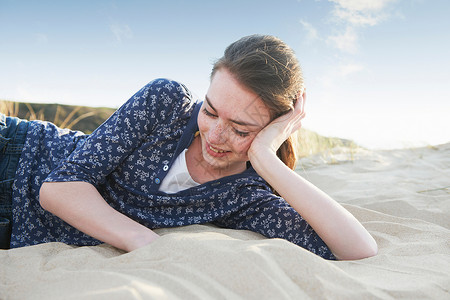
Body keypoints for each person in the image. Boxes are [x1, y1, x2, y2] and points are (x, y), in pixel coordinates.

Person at [0, 35, 377, 260]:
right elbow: (59, 188)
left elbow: (357, 250)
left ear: (273, 130)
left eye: (240, 129)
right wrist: (145, 243)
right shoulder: (167, 102)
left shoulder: (247, 197)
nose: (215, 135)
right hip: (16, 152)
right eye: (210, 111)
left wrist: (266, 159)